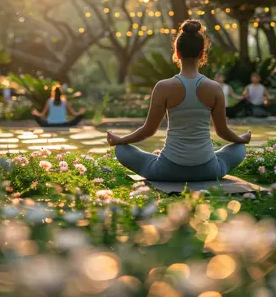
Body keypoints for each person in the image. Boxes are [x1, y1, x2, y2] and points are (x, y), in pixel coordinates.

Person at [106, 20, 250, 182]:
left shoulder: (163, 87)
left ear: (177, 53)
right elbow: (222, 132)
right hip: (208, 170)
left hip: (168, 170)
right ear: (203, 54)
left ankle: (159, 158)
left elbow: (148, 131)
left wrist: (121, 140)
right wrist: (241, 139)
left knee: (122, 150)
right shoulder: (214, 88)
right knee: (239, 149)